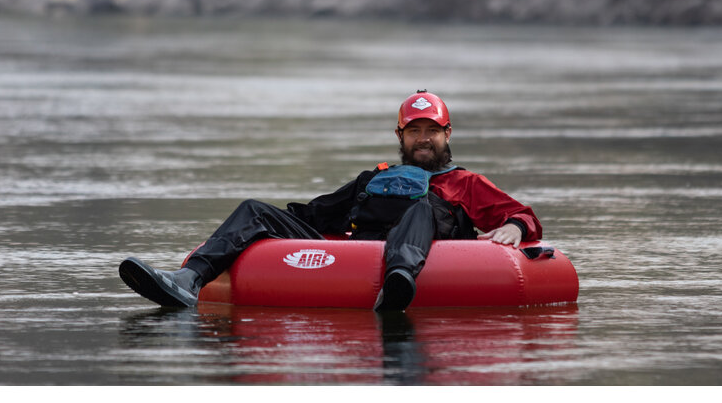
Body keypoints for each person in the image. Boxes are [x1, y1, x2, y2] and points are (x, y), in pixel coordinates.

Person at [119, 90, 542, 311]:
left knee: (420, 208)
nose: (423, 138)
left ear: (447, 134)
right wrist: (265, 231)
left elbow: (522, 214)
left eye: (431, 129)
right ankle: (186, 281)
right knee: (254, 209)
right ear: (401, 136)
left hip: (417, 255)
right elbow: (309, 215)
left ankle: (398, 283)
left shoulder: (464, 182)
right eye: (414, 130)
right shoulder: (372, 179)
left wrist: (515, 226)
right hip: (358, 249)